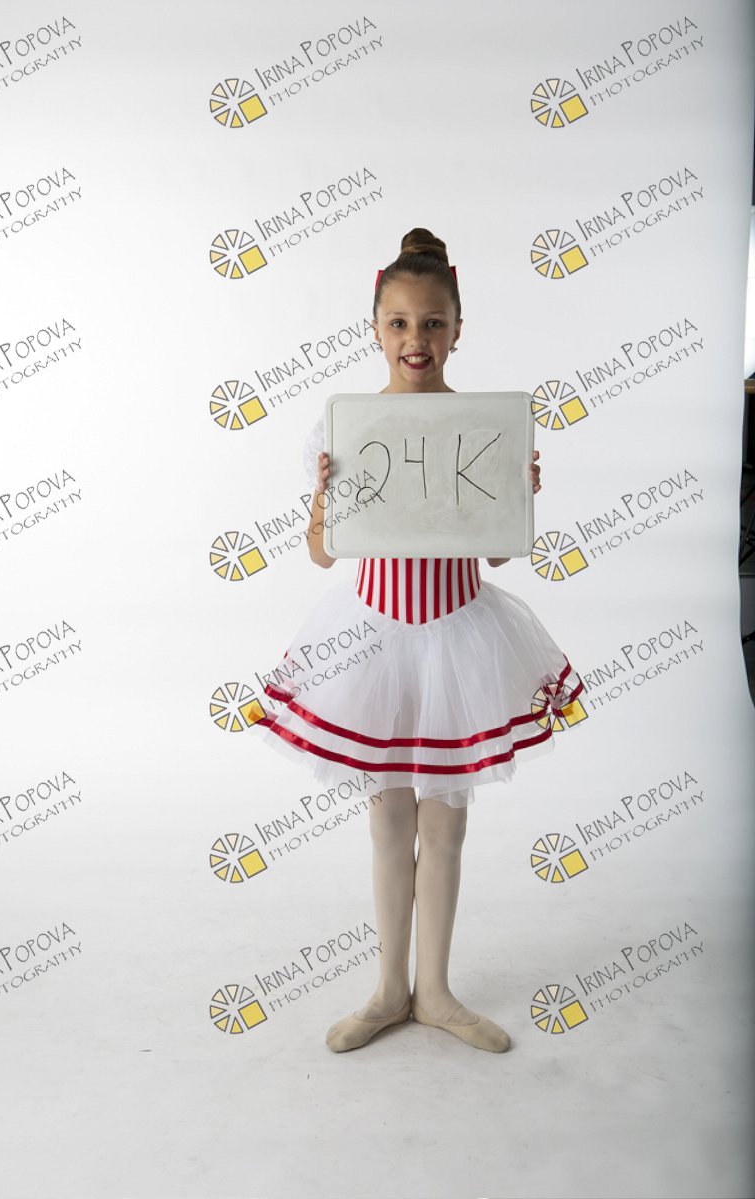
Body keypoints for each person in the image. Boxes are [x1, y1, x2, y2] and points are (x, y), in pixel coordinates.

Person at [254, 228, 583, 1053]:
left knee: (445, 827)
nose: (416, 339)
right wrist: (324, 496)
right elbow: (324, 552)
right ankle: (388, 989)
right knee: (388, 821)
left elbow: (498, 550)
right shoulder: (347, 426)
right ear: (374, 328)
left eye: (433, 323)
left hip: (457, 636)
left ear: (458, 329)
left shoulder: (483, 425)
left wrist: (518, 494)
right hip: (375, 639)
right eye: (399, 323)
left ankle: (435, 990)